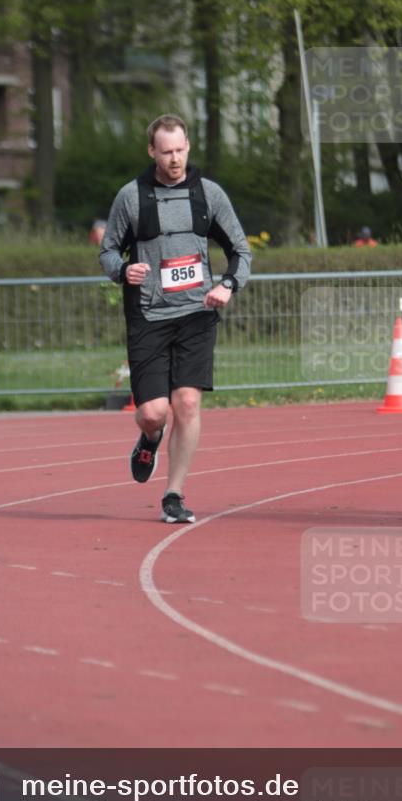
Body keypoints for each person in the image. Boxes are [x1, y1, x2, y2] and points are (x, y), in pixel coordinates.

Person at [100, 114, 251, 524]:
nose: (174, 159)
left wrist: (228, 285)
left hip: (196, 314)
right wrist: (122, 271)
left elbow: (241, 250)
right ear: (152, 151)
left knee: (186, 402)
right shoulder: (132, 197)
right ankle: (149, 439)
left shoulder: (208, 195)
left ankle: (174, 494)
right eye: (166, 151)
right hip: (149, 315)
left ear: (188, 147)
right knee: (154, 412)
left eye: (180, 150)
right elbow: (109, 251)